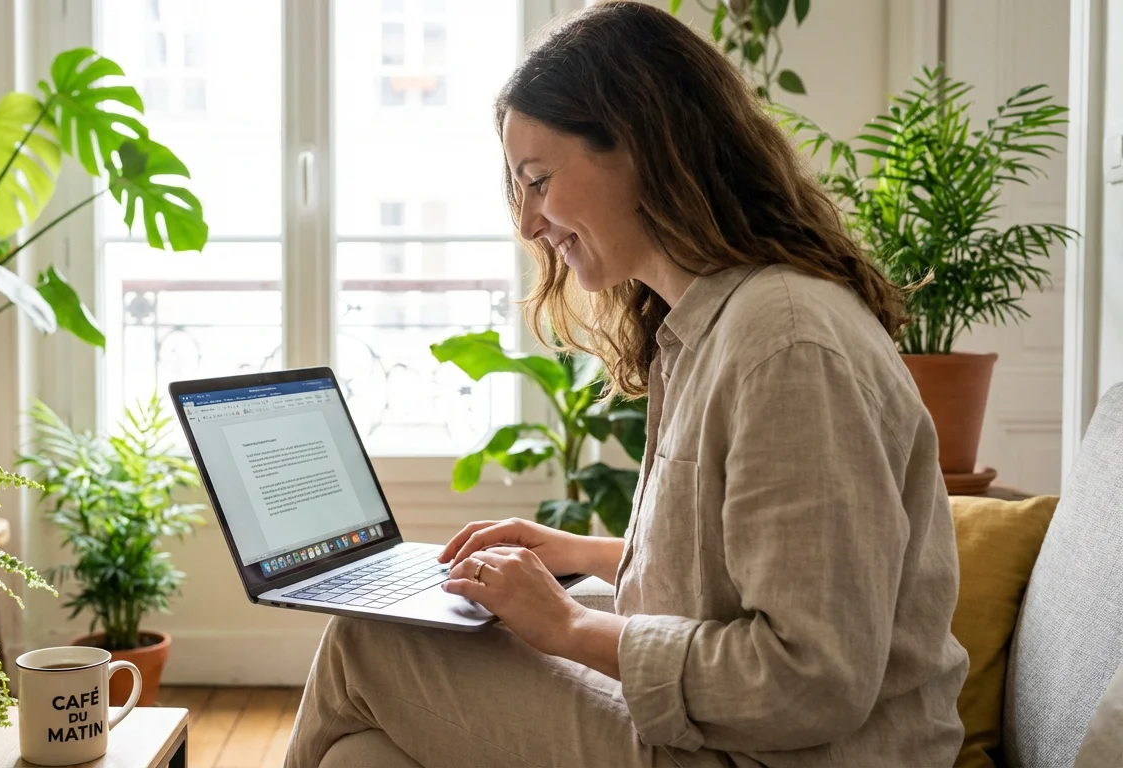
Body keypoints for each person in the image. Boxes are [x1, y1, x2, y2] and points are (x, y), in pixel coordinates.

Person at [284, 2, 969, 766]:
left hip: (773, 755)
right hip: (741, 743)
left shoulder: (786, 345)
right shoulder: (711, 327)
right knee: (362, 751)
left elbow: (810, 681)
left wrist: (569, 627)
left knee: (366, 643)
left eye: (538, 180)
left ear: (643, 146)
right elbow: (733, 574)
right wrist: (581, 553)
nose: (529, 223)